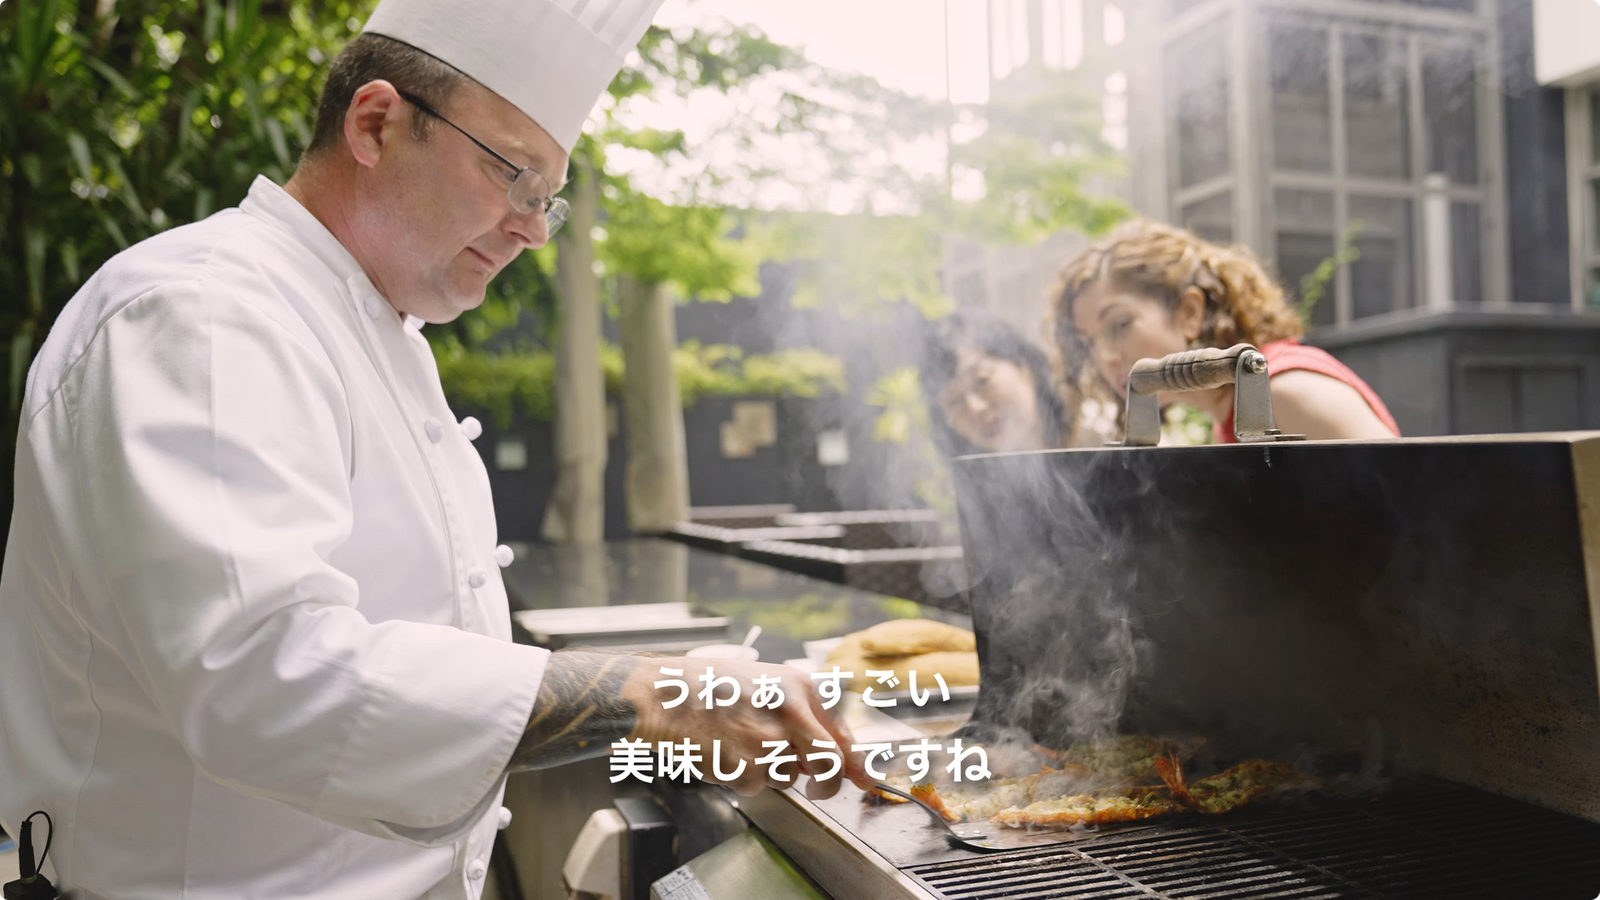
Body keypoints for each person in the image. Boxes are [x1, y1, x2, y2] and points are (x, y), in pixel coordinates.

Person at [0, 1, 868, 896]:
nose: (532, 228)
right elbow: (263, 680)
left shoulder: (380, 334)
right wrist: (649, 693)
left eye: (547, 199)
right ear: (376, 123)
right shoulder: (205, 313)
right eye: (513, 175)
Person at [1048, 219, 1400, 443]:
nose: (1104, 356)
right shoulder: (1234, 414)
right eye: (1089, 341)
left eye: (1120, 325)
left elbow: (1412, 512)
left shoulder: (1285, 392)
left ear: (1189, 312)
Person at [920, 310, 1072, 455]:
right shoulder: (973, 479)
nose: (975, 407)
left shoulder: (1092, 439)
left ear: (1024, 368)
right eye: (954, 401)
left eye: (982, 380)